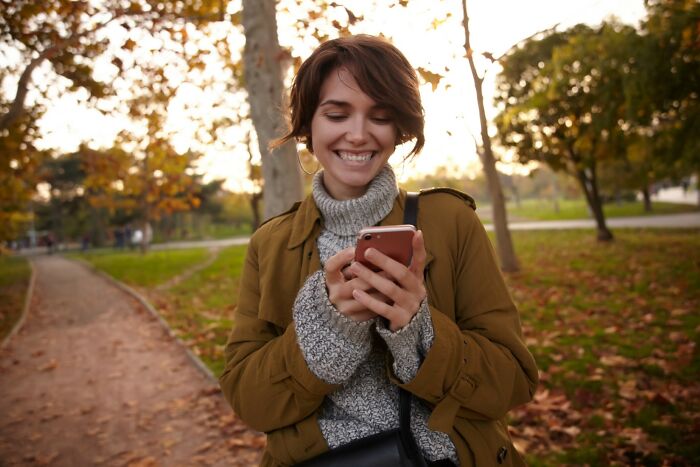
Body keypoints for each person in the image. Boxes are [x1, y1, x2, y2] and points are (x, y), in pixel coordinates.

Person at [219, 34, 538, 466]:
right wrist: (328, 333)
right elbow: (251, 402)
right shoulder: (270, 244)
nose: (358, 134)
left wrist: (420, 330)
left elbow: (513, 381)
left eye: (380, 116)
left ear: (400, 127)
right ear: (308, 124)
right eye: (336, 113)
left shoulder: (451, 222)